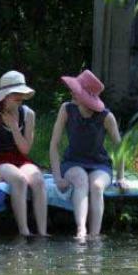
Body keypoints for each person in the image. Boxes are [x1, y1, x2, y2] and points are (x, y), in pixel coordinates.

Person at [49, 70, 124, 239]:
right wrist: (57, 177)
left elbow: (120, 147)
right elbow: (54, 145)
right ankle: (81, 230)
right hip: (73, 162)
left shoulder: (106, 116)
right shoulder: (67, 109)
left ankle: (95, 235)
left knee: (96, 186)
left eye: (76, 91)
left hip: (99, 163)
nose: (72, 93)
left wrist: (120, 177)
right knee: (81, 180)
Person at [0, 70, 48, 236]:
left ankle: (42, 232)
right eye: (15, 94)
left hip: (20, 158)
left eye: (21, 93)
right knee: (19, 180)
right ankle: (24, 231)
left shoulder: (28, 114)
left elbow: (25, 149)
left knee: (38, 180)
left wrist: (14, 127)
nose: (20, 97)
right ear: (5, 96)